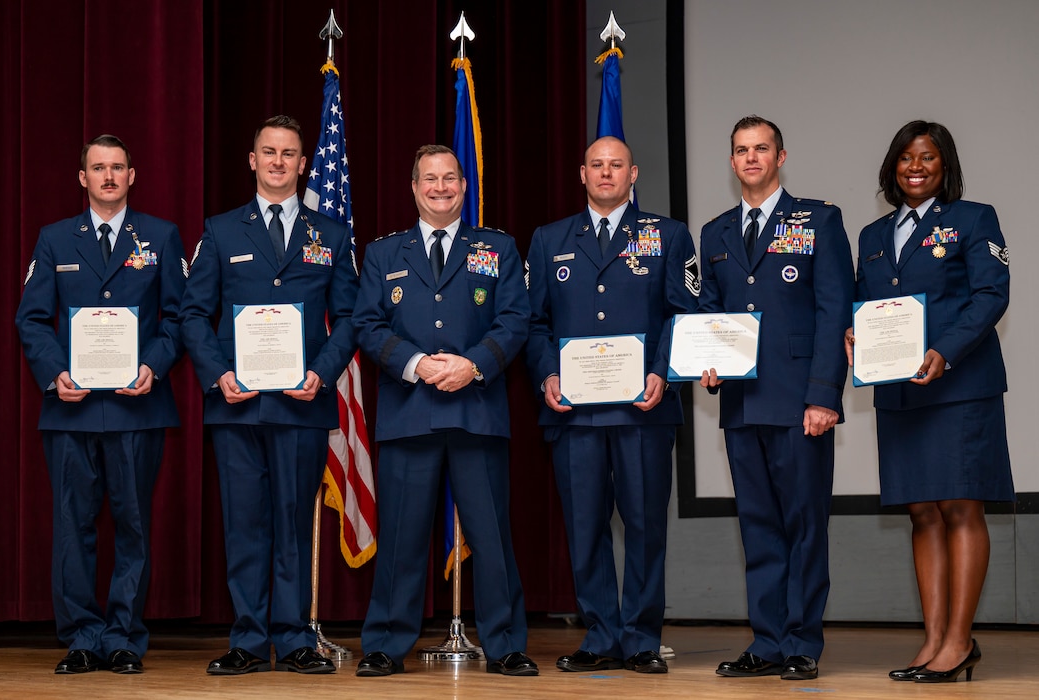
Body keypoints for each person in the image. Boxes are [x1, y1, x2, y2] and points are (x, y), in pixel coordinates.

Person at [180, 115, 358, 675]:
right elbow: (191, 312)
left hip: (301, 404)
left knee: (291, 521)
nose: (279, 161)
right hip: (236, 404)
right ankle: (250, 641)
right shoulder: (220, 230)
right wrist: (217, 374)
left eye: (289, 153)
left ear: (304, 164)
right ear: (252, 160)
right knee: (245, 524)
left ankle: (295, 636)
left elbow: (352, 317)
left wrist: (324, 373)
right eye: (269, 152)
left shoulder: (329, 233)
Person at [352, 145, 536, 678]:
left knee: (492, 537)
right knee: (403, 538)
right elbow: (367, 325)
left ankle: (505, 645)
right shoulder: (384, 253)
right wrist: (414, 363)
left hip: (476, 409)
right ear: (413, 187)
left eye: (449, 178)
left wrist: (472, 366)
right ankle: (386, 643)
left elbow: (515, 321)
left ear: (463, 185)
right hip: (409, 411)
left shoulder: (497, 248)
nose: (440, 188)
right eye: (429, 179)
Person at [524, 136, 698, 674]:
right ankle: (600, 634)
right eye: (596, 165)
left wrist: (662, 373)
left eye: (615, 165)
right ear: (582, 174)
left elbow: (681, 313)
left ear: (633, 173)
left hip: (643, 410)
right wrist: (548, 373)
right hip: (573, 414)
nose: (605, 173)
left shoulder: (668, 236)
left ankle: (642, 637)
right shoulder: (549, 239)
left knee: (646, 525)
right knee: (585, 526)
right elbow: (533, 323)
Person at [846, 121, 1013, 683]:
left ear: (946, 166)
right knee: (922, 511)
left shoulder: (974, 219)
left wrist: (945, 350)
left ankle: (960, 642)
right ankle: (935, 638)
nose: (915, 167)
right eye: (905, 158)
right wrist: (853, 331)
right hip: (898, 392)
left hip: (961, 387)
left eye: (928, 158)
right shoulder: (872, 234)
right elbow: (863, 304)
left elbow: (992, 294)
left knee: (961, 507)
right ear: (892, 166)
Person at [15, 135, 186, 674]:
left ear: (132, 175)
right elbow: (31, 319)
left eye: (117, 167)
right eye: (98, 168)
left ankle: (123, 637)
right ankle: (82, 637)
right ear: (82, 177)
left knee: (134, 526)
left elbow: (180, 318)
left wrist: (153, 366)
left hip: (139, 406)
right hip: (71, 407)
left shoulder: (160, 236)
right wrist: (54, 373)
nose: (108, 176)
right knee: (72, 527)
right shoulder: (54, 240)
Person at [698, 116, 854, 681]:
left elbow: (834, 310)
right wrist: (703, 362)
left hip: (799, 401)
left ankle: (802, 643)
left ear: (781, 157)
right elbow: (709, 315)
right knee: (758, 526)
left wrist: (823, 396)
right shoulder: (714, 232)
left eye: (761, 148)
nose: (751, 158)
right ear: (732, 160)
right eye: (741, 150)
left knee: (804, 524)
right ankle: (766, 642)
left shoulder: (819, 219)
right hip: (741, 403)